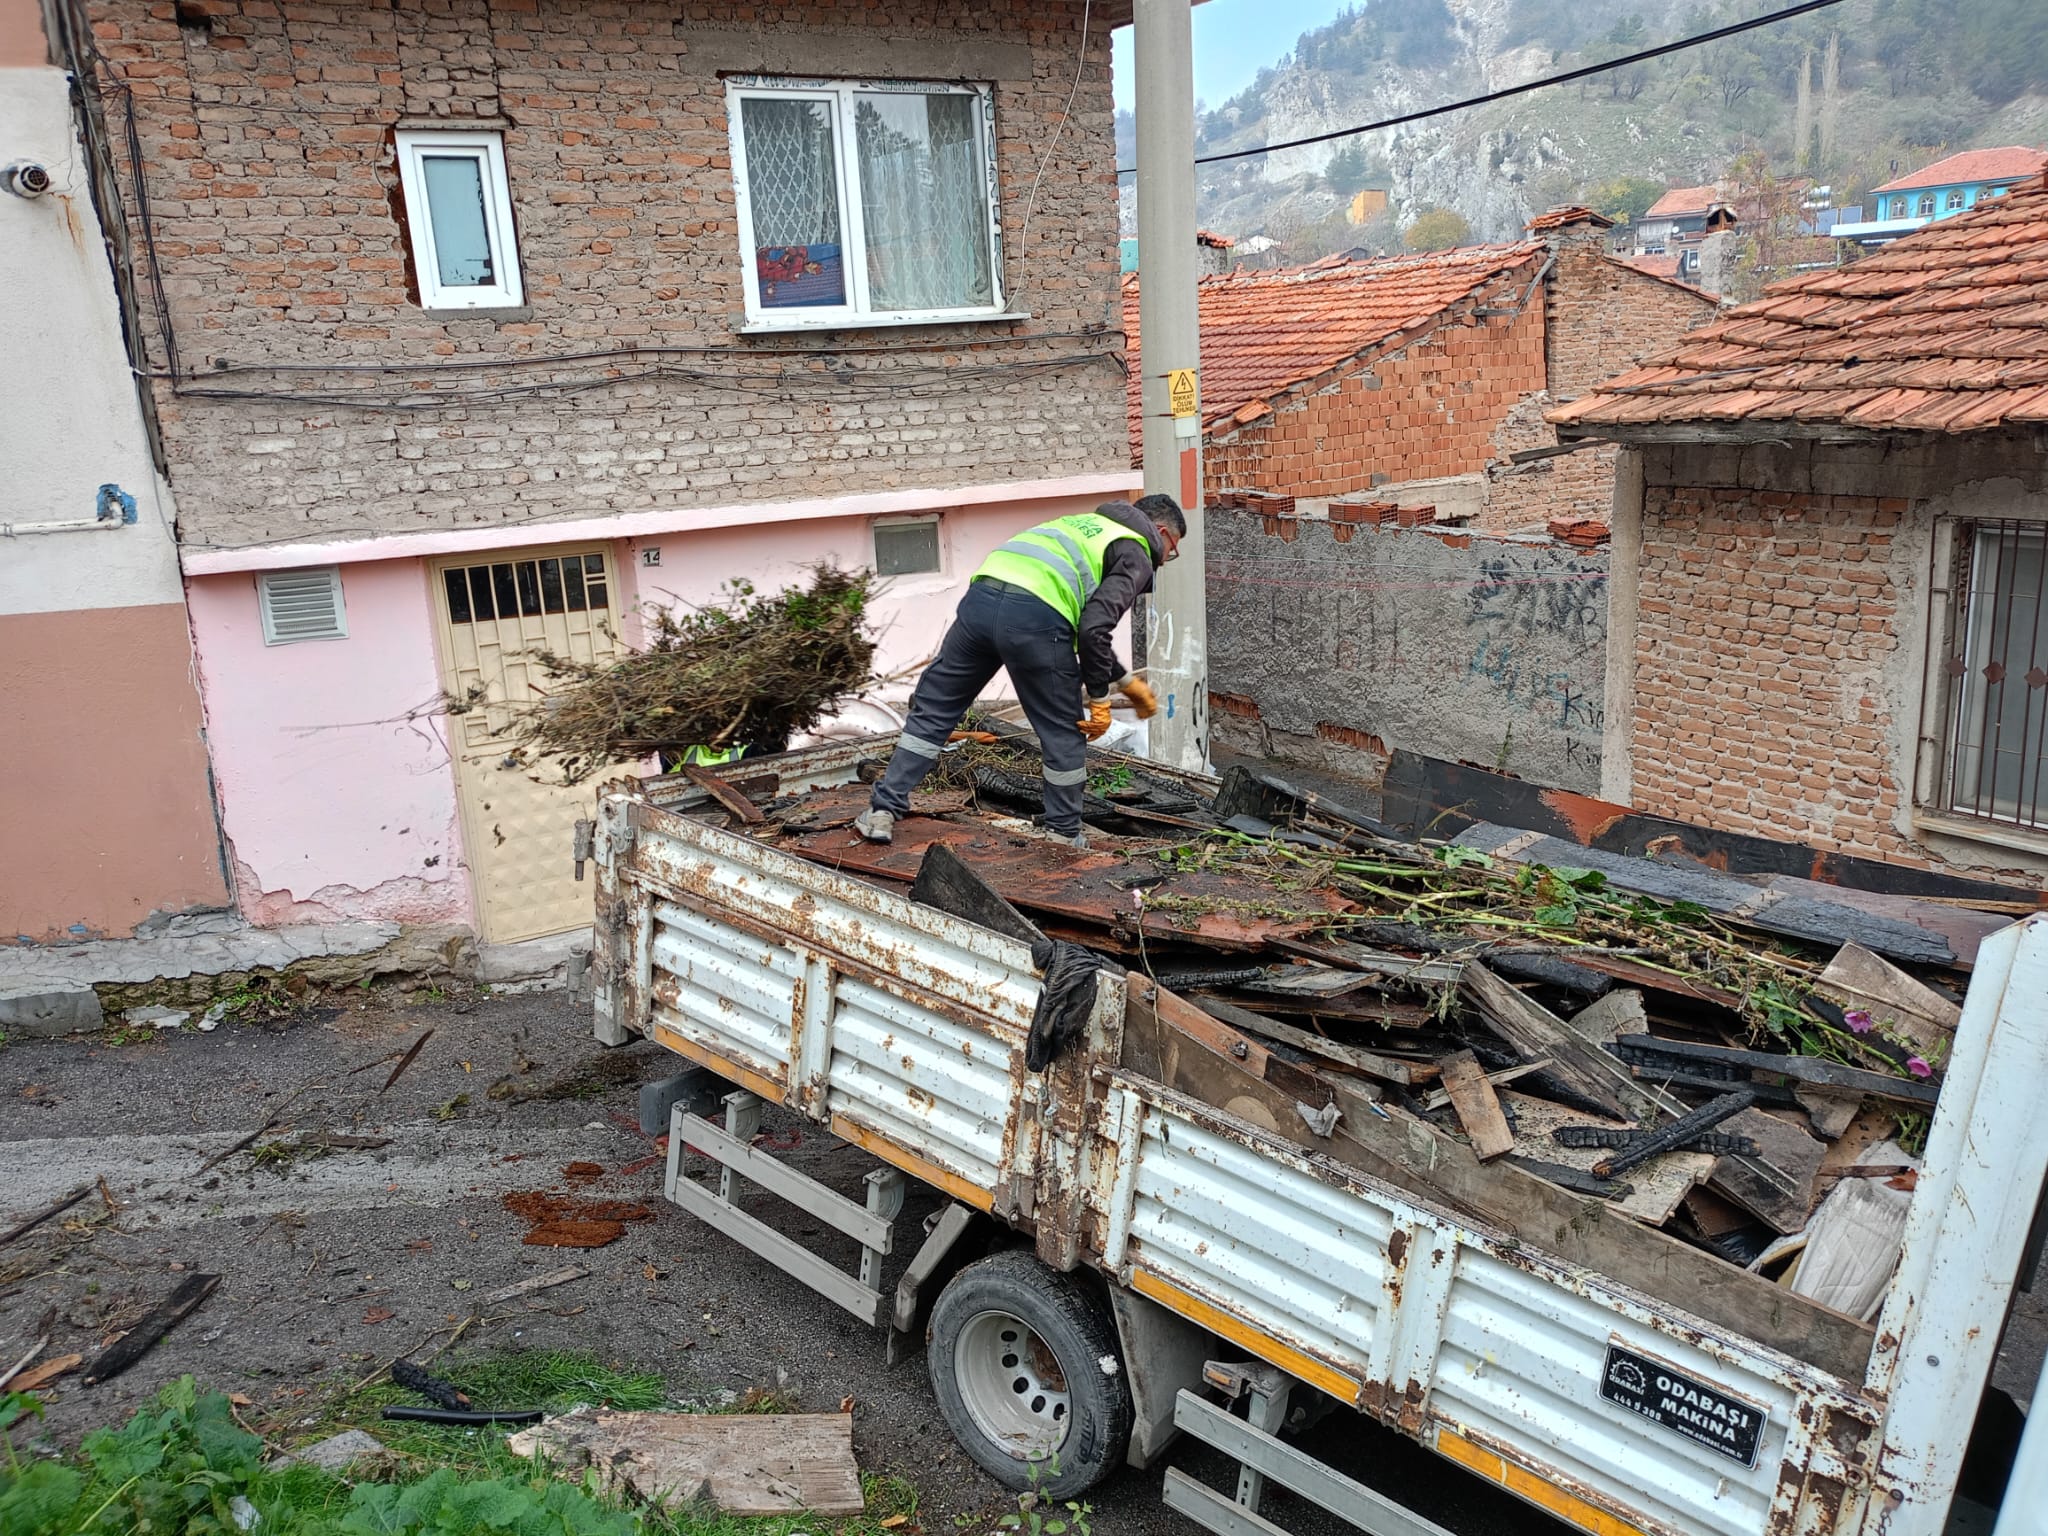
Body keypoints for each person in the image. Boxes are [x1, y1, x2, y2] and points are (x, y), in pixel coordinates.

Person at [854, 494, 1186, 849]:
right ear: (1161, 532)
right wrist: (1101, 700)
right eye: (1172, 549)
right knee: (1063, 734)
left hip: (981, 603)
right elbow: (1093, 629)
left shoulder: (1079, 526)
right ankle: (1062, 836)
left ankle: (881, 811)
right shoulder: (1136, 550)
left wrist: (1124, 681)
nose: (1167, 558)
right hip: (1035, 618)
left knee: (934, 713)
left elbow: (1085, 629)